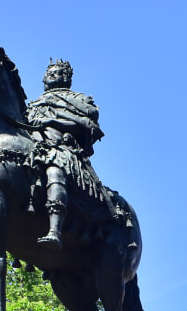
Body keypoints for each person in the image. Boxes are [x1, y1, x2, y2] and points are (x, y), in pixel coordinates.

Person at [25, 59, 118, 248]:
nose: (51, 74)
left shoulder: (80, 100)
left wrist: (52, 122)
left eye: (57, 72)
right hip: (34, 149)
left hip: (63, 149)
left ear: (66, 77)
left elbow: (87, 124)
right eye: (49, 72)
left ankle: (54, 230)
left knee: (54, 169)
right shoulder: (33, 104)